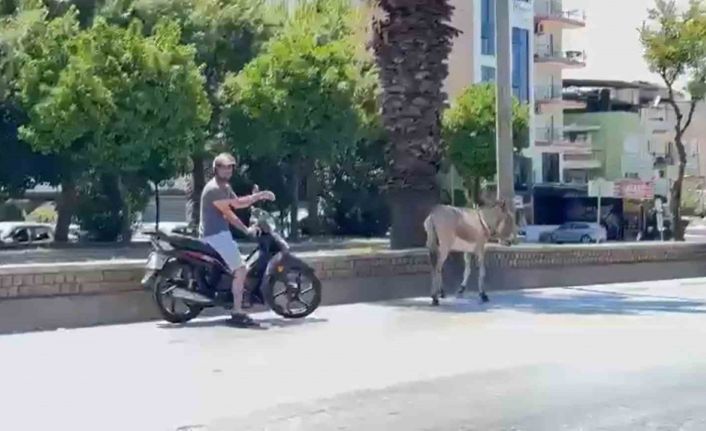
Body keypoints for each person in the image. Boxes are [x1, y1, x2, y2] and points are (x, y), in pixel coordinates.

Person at [199, 153, 275, 327]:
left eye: (230, 167)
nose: (227, 170)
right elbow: (236, 206)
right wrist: (260, 196)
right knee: (241, 270)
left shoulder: (224, 187)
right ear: (215, 169)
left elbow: (233, 208)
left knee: (237, 266)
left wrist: (247, 226)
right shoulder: (214, 189)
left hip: (218, 234)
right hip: (215, 235)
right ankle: (237, 312)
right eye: (223, 167)